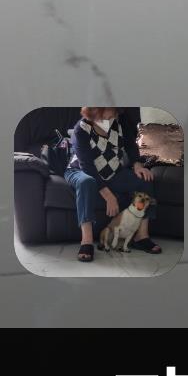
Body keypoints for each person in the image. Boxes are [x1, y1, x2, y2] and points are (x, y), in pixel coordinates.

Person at [63, 104, 162, 262]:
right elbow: (87, 167)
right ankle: (86, 241)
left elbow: (130, 144)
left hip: (113, 171)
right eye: (102, 118)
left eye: (111, 117)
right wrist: (108, 195)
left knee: (145, 180)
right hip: (81, 170)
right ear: (92, 114)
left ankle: (141, 237)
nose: (107, 121)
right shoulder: (80, 129)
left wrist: (137, 164)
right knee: (87, 182)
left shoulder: (120, 120)